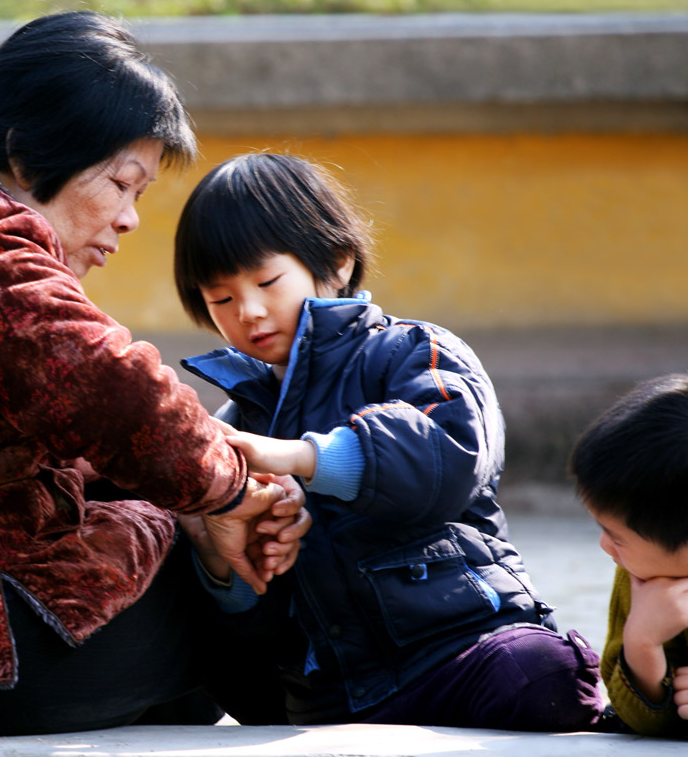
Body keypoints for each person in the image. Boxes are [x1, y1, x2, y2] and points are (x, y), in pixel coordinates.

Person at [0, 12, 310, 736]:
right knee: (233, 576)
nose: (130, 220)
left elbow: (60, 437)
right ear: (27, 157)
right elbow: (111, 393)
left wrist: (197, 502)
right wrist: (231, 488)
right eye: (122, 183)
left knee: (186, 539)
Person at [172, 151, 606, 731]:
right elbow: (250, 595)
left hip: (457, 649)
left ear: (340, 262)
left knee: (540, 674)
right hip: (334, 691)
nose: (247, 311)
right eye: (220, 298)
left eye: (267, 281)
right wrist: (228, 566)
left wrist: (301, 456)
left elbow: (449, 455)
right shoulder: (239, 420)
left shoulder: (411, 353)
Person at [569, 372, 688, 738]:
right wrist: (642, 644)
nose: (605, 547)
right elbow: (642, 723)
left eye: (617, 537)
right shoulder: (645, 572)